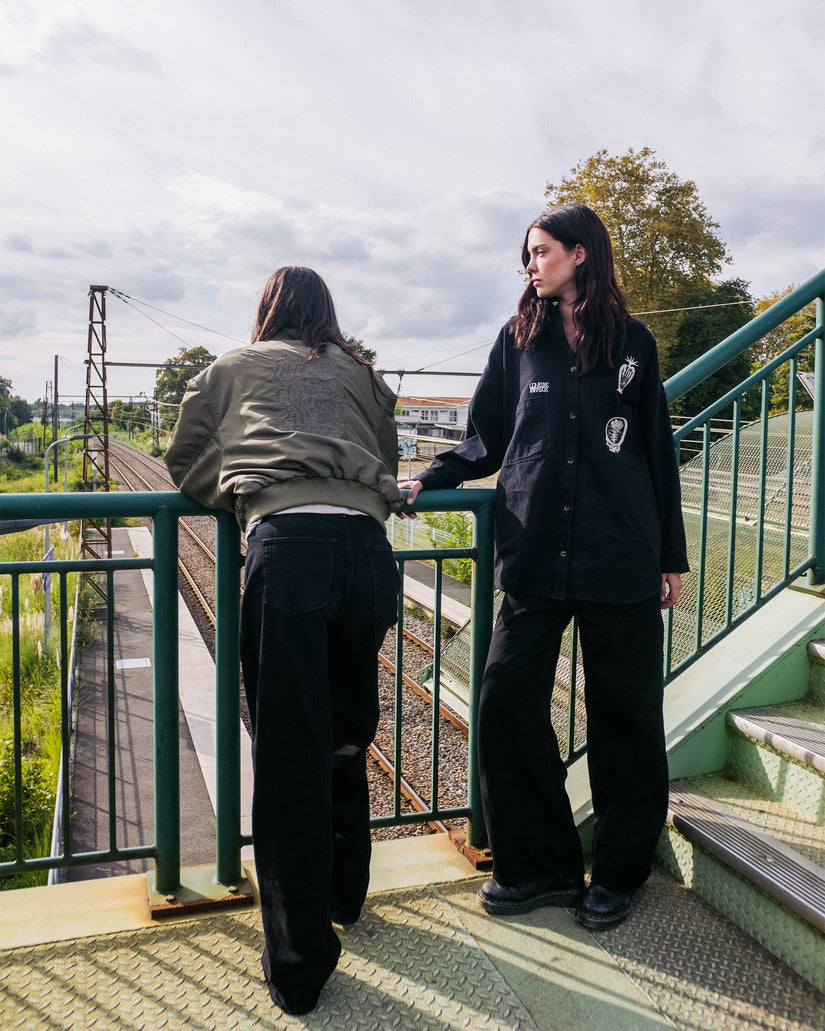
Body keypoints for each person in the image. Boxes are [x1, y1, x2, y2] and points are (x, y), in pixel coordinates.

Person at [400, 203, 688, 930]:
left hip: (617, 553)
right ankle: (541, 866)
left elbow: (655, 451)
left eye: (541, 251)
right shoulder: (517, 339)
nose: (530, 264)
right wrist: (427, 479)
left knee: (624, 717)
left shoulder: (633, 344)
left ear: (580, 254)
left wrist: (670, 555)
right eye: (526, 255)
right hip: (531, 553)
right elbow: (484, 439)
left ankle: (617, 874)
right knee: (502, 702)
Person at [165, 266, 403, 1014]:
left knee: (289, 753)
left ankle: (299, 966)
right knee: (343, 734)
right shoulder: (364, 375)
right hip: (366, 556)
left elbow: (185, 459)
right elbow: (389, 462)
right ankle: (344, 893)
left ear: (267, 309)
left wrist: (244, 485)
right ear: (325, 314)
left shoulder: (231, 368)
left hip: (290, 548)